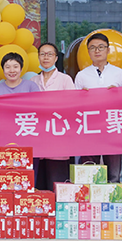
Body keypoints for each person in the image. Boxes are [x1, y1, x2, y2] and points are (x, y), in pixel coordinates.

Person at [73, 32, 122, 183]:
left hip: (112, 127)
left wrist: (118, 94)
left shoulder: (119, 74)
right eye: (92, 48)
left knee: (113, 174)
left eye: (100, 47)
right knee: (88, 173)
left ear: (108, 50)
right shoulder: (81, 76)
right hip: (90, 129)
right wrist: (82, 97)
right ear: (88, 52)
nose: (97, 51)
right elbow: (74, 105)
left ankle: (113, 198)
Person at [30, 43, 76, 190]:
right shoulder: (33, 81)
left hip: (58, 137)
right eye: (42, 54)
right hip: (38, 138)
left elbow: (72, 106)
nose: (46, 57)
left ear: (56, 58)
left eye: (50, 54)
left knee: (57, 183)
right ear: (38, 57)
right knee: (39, 186)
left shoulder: (65, 79)